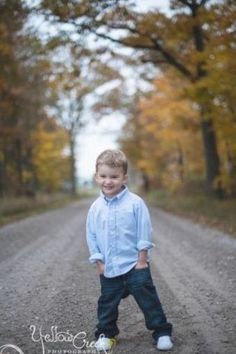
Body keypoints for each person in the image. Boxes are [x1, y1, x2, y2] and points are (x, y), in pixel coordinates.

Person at [86, 149, 173, 352]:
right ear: (96, 177)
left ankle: (161, 332)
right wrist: (99, 262)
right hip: (109, 266)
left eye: (114, 176)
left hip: (134, 264)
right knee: (107, 304)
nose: (108, 181)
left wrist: (142, 260)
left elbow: (144, 232)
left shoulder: (135, 203)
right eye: (104, 176)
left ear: (124, 177)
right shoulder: (95, 208)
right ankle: (106, 334)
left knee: (149, 300)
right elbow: (91, 235)